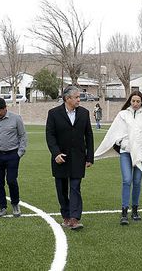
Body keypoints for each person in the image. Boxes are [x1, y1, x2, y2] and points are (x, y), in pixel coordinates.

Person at [94, 91, 142, 225]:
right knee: (127, 180)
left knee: (137, 181)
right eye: (133, 101)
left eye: (138, 101)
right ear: (130, 101)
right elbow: (114, 132)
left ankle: (135, 210)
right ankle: (124, 211)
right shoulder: (123, 115)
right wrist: (123, 142)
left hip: (141, 153)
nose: (135, 103)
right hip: (126, 152)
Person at [46, 86, 94, 230]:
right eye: (77, 97)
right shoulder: (54, 113)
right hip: (60, 158)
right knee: (61, 189)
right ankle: (66, 216)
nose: (79, 100)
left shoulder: (84, 113)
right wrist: (56, 153)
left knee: (75, 187)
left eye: (79, 97)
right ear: (67, 99)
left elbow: (89, 135)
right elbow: (50, 135)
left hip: (78, 157)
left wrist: (89, 157)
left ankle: (74, 218)